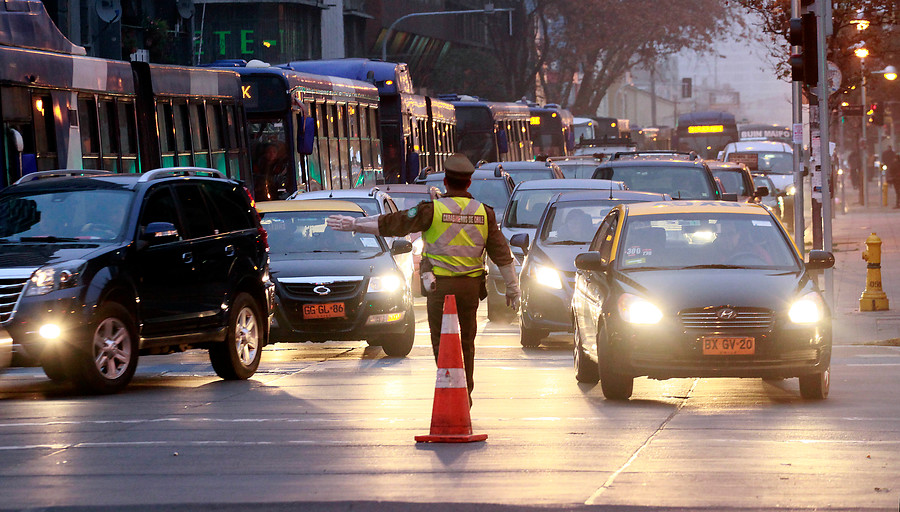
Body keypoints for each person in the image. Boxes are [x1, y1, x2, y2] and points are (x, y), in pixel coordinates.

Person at [326, 153, 520, 406]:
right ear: (469, 183)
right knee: (466, 343)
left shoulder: (432, 210)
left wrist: (356, 224)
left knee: (442, 341)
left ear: (446, 182)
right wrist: (513, 290)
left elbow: (395, 223)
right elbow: (503, 256)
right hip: (469, 289)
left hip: (440, 288)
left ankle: (449, 387)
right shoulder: (485, 213)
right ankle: (465, 394)